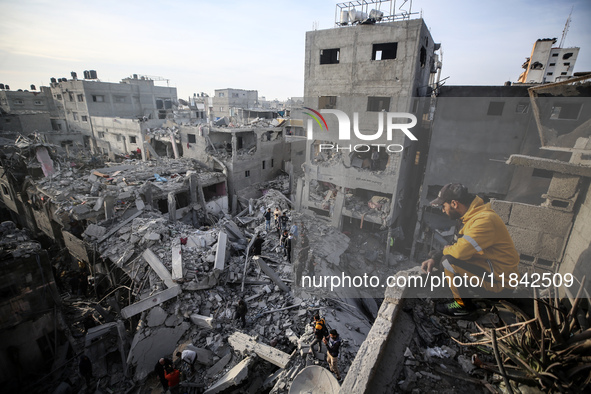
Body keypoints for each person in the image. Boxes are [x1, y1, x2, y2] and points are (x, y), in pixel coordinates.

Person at [421, 183, 519, 318]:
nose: (443, 210)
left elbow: (460, 252)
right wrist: (434, 257)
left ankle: (464, 308)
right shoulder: (468, 219)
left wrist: (443, 254)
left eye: (443, 206)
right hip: (490, 270)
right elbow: (454, 244)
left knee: (448, 262)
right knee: (436, 256)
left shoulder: (484, 220)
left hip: (501, 284)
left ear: (454, 203)